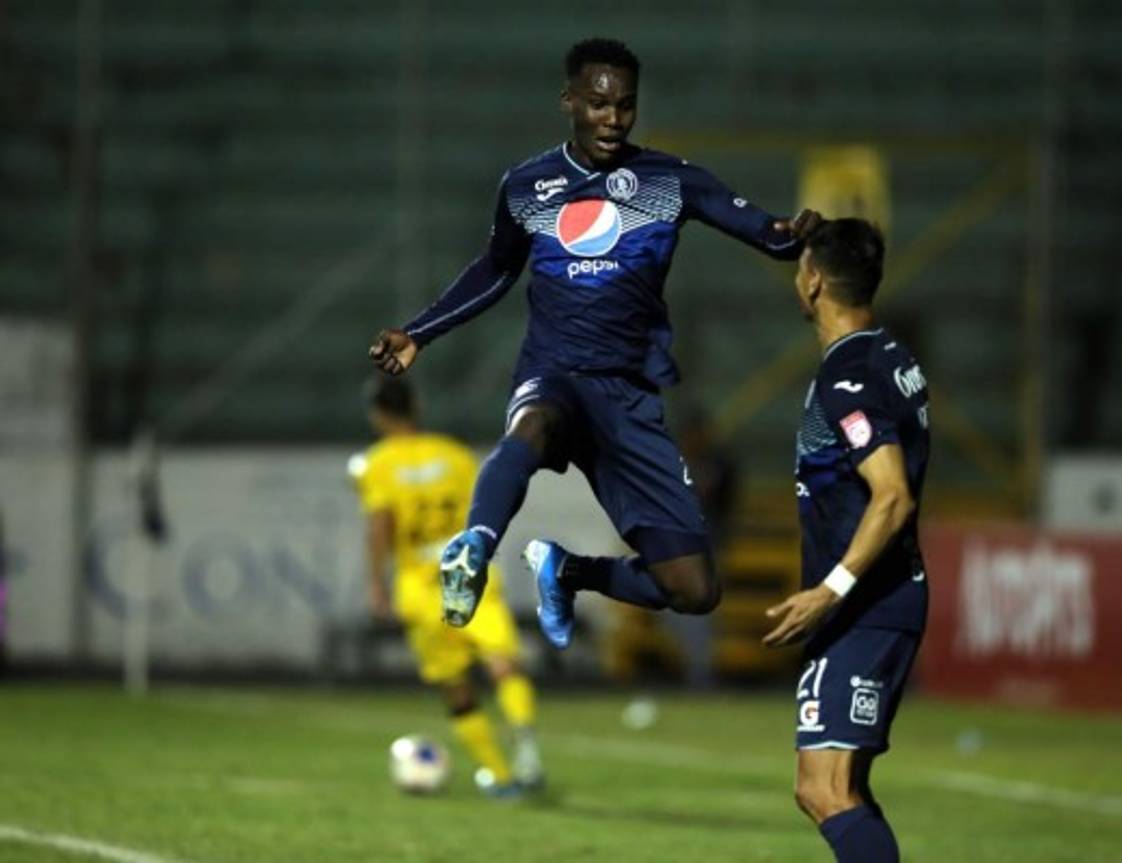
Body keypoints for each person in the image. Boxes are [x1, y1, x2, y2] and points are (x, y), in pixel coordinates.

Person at [368, 37, 818, 648]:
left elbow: (767, 232)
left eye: (625, 107)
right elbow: (495, 270)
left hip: (628, 397)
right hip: (555, 371)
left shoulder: (668, 179)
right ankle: (474, 546)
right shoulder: (528, 185)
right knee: (532, 425)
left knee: (693, 589)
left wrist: (797, 233)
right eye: (599, 105)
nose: (612, 119)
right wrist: (419, 332)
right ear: (569, 101)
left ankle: (567, 569)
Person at [762, 219, 930, 863]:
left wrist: (828, 592)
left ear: (811, 281)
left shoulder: (848, 376)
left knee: (823, 790)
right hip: (880, 599)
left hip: (866, 604)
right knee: (841, 788)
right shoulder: (893, 354)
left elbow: (891, 493)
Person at [349, 376, 544, 796]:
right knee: (501, 661)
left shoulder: (377, 463)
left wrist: (375, 585)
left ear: (378, 415)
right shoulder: (455, 456)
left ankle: (500, 776)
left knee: (455, 683)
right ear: (416, 407)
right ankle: (525, 747)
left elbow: (381, 524)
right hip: (467, 571)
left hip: (419, 586)